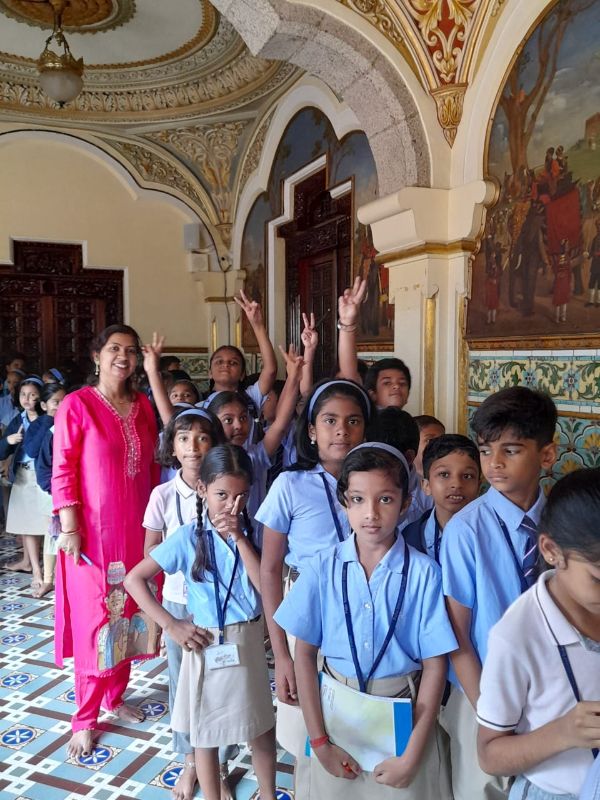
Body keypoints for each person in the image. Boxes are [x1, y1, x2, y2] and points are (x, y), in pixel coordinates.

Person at [274, 442, 457, 798]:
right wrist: (320, 742)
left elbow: (435, 666)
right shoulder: (323, 567)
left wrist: (413, 753)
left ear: (405, 503)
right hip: (334, 715)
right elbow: (305, 657)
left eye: (385, 499)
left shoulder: (425, 573)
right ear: (344, 502)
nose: (370, 513)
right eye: (358, 499)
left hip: (403, 713)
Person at [124, 445, 277, 800]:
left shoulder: (253, 532)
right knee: (204, 733)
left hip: (247, 640)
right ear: (202, 489)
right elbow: (134, 579)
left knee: (260, 727)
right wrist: (170, 624)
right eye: (222, 495)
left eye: (241, 496)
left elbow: (265, 587)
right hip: (206, 643)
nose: (232, 506)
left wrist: (239, 538)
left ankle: (269, 794)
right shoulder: (187, 537)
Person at [439, 386, 558, 800]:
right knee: (483, 790)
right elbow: (457, 636)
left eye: (511, 450)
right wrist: (491, 711)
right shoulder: (465, 530)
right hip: (482, 696)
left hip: (552, 695)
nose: (495, 464)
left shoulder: (563, 521)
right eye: (486, 451)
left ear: (547, 455)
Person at [256, 378, 372, 793]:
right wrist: (281, 654)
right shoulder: (290, 485)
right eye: (330, 421)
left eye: (353, 421)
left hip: (364, 606)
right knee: (307, 723)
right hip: (306, 610)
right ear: (311, 430)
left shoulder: (376, 483)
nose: (342, 430)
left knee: (356, 710)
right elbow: (270, 570)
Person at [52, 324, 159, 758]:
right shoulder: (77, 405)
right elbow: (63, 467)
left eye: (131, 350)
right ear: (97, 355)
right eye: (114, 348)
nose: (123, 357)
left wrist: (157, 529)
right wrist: (70, 528)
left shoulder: (143, 406)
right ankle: (85, 717)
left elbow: (154, 468)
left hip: (137, 532)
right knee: (96, 620)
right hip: (93, 537)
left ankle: (116, 696)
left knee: (130, 613)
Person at [477, 468, 600, 800]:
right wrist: (564, 732)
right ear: (550, 550)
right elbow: (489, 754)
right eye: (598, 578)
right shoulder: (517, 636)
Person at [143, 406, 233, 800]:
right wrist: (164, 621)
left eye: (202, 437)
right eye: (183, 438)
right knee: (182, 686)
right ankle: (191, 761)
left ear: (214, 444)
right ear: (172, 446)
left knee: (222, 684)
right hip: (178, 604)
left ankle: (221, 764)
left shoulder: (225, 488)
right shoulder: (162, 494)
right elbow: (149, 553)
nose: (193, 446)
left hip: (219, 606)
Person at [403, 434, 481, 565]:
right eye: (444, 474)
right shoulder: (408, 538)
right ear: (426, 486)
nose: (456, 484)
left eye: (467, 476)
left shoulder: (493, 535)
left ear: (479, 486)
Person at [336, 276, 411, 410]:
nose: (396, 386)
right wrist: (348, 322)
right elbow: (349, 373)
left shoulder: (409, 420)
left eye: (402, 383)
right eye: (387, 383)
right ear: (372, 394)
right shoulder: (368, 416)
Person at [0, 375, 46, 582]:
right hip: (22, 475)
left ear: (41, 397)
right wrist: (8, 441)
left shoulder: (46, 420)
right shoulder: (18, 420)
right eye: (23, 394)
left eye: (32, 395)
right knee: (26, 524)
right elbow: (2, 451)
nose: (26, 399)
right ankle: (32, 567)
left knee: (41, 523)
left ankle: (41, 568)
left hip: (40, 475)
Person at [24, 381, 67, 597]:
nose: (60, 406)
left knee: (66, 534)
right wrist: (49, 421)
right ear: (44, 405)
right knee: (52, 533)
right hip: (49, 488)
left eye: (64, 402)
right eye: (55, 402)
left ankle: (63, 579)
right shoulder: (43, 426)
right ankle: (49, 579)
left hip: (66, 488)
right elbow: (35, 454)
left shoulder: (70, 424)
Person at [413, 415, 446, 480]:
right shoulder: (401, 478)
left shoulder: (448, 474)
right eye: (429, 440)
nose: (438, 445)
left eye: (442, 440)